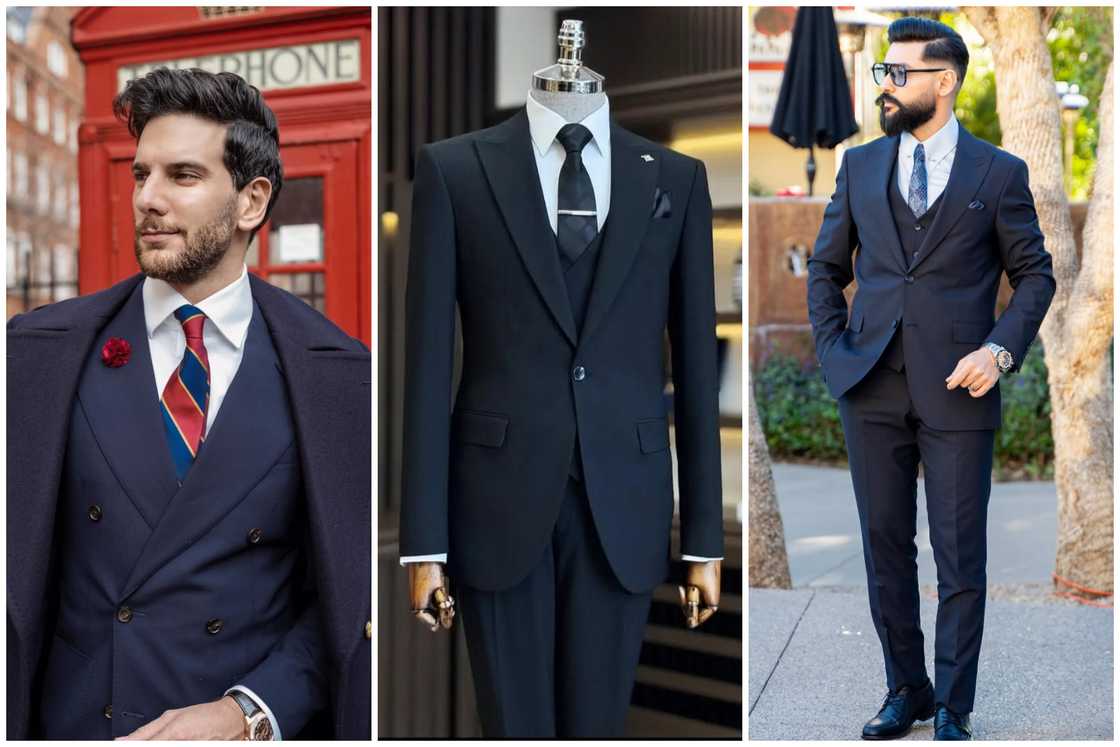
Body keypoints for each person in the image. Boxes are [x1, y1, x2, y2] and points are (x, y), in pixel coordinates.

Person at [7, 68, 371, 740]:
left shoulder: (338, 374)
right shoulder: (34, 354)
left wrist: (248, 711)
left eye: (182, 176)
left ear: (252, 201)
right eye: (141, 174)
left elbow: (344, 601)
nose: (148, 198)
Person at [399, 87, 725, 737]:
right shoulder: (455, 168)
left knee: (598, 726)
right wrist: (423, 546)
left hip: (624, 500)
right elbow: (428, 365)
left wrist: (704, 542)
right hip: (494, 500)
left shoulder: (677, 177)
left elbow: (695, 367)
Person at [806, 17, 1055, 742]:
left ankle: (953, 702)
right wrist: (835, 352)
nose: (885, 85)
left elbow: (1036, 275)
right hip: (871, 386)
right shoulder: (859, 167)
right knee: (884, 548)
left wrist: (997, 352)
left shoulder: (998, 172)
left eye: (899, 73)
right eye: (883, 72)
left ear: (944, 81)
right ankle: (905, 689)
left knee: (959, 554)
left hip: (959, 388)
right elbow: (825, 269)